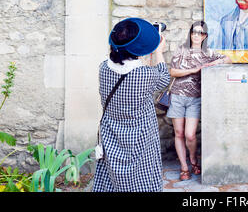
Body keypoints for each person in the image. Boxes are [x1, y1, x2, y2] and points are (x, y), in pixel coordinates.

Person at [93, 17, 171, 192]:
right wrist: (158, 51)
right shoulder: (144, 75)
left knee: (111, 178)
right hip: (140, 136)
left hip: (111, 132)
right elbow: (164, 77)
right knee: (142, 178)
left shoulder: (103, 68)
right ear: (137, 48)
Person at [167, 21, 232, 180]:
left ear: (205, 36)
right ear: (190, 34)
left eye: (200, 33)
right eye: (194, 32)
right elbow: (173, 72)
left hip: (195, 98)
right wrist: (194, 70)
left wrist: (215, 62)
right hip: (177, 96)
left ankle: (193, 158)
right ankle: (184, 167)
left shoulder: (208, 52)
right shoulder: (182, 49)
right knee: (179, 133)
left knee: (190, 135)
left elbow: (229, 59)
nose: (196, 35)